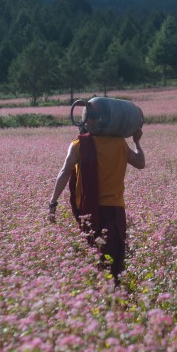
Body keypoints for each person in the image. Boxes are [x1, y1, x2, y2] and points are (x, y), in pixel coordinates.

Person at [48, 110, 145, 286]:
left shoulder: (79, 144)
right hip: (115, 211)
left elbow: (64, 172)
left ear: (89, 121)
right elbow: (140, 163)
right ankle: (112, 298)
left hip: (90, 212)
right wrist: (137, 142)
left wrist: (52, 203)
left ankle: (103, 300)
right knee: (113, 261)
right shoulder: (119, 144)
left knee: (95, 258)